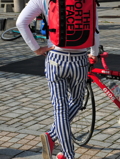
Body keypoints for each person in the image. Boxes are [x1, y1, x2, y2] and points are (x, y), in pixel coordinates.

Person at [16, 0, 99, 158]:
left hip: (55, 57)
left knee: (60, 109)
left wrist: (37, 49)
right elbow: (95, 28)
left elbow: (21, 22)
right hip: (80, 58)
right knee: (76, 101)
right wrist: (94, 53)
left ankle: (66, 152)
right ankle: (54, 138)